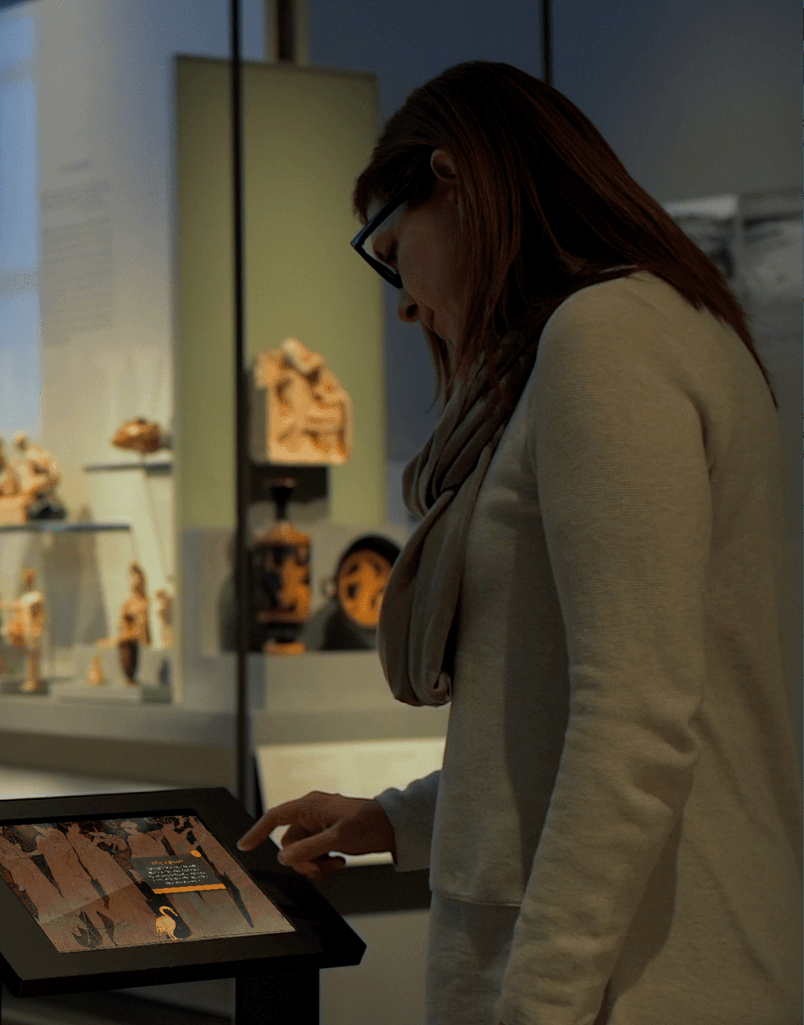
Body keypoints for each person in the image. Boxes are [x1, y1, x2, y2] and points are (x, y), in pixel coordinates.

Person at [238, 61, 800, 1025]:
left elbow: (635, 725)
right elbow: (559, 710)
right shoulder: (636, 334)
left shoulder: (606, 337)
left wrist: (538, 1004)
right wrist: (398, 817)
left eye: (388, 244)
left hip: (634, 984)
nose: (405, 301)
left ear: (452, 180)